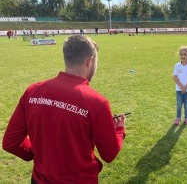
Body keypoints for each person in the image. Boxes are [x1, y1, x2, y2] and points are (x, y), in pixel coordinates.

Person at [2, 35, 126, 184]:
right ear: (89, 61)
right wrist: (119, 131)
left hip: (39, 179)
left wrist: (37, 154)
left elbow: (11, 142)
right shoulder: (97, 102)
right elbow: (109, 154)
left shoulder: (33, 91)